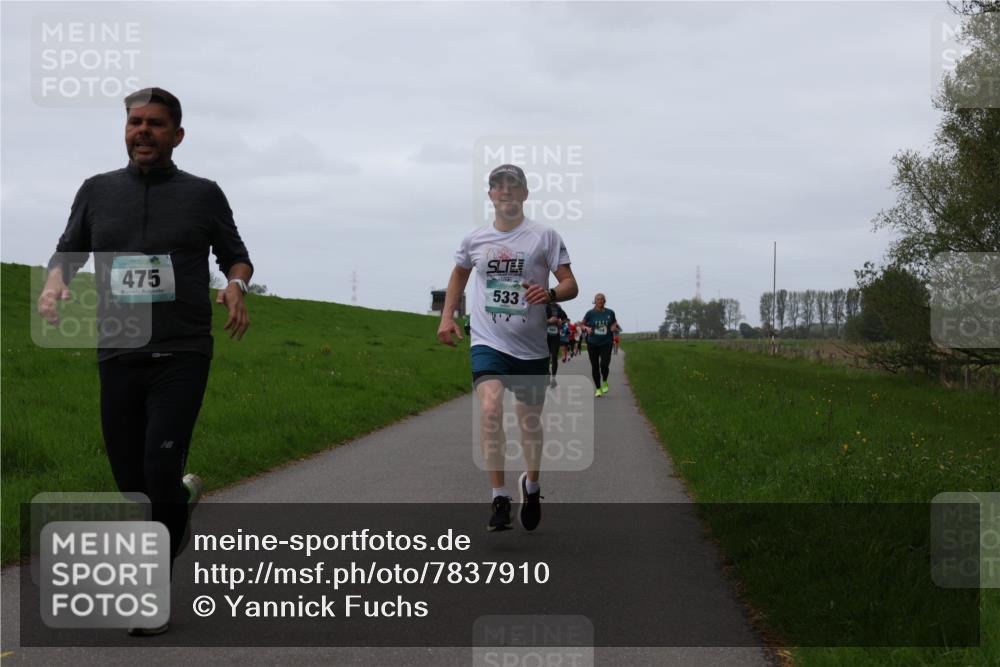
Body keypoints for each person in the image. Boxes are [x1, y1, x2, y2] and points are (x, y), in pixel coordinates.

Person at [38, 87, 253, 636]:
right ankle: (180, 500)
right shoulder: (97, 191)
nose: (144, 131)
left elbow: (236, 256)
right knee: (132, 483)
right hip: (118, 349)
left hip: (182, 350)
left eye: (156, 124)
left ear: (177, 134)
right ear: (126, 130)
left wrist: (234, 285)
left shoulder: (203, 194)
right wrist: (55, 284)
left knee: (158, 467)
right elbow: (69, 250)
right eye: (135, 122)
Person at [437, 164, 577, 532]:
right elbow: (459, 273)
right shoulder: (475, 240)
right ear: (490, 195)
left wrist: (549, 293)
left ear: (525, 193)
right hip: (489, 341)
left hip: (531, 347)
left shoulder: (544, 237)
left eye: (513, 186)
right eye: (498, 186)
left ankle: (531, 486)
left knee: (529, 422)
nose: (505, 192)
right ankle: (499, 496)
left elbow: (570, 284)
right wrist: (447, 316)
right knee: (490, 407)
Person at [582, 293, 618, 397]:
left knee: (604, 365)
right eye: (598, 299)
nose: (600, 301)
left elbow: (614, 323)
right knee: (595, 366)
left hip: (606, 342)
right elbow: (582, 324)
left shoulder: (610, 312)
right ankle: (598, 389)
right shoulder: (590, 313)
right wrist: (586, 328)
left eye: (602, 299)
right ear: (595, 301)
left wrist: (614, 327)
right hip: (592, 343)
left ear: (604, 301)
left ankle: (605, 381)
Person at [545, 301, 568, 388]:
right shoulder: (543, 306)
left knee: (554, 356)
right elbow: (537, 320)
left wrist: (561, 322)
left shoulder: (558, 308)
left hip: (555, 335)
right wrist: (548, 321)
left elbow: (565, 319)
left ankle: (553, 379)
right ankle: (547, 373)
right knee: (545, 356)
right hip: (544, 335)